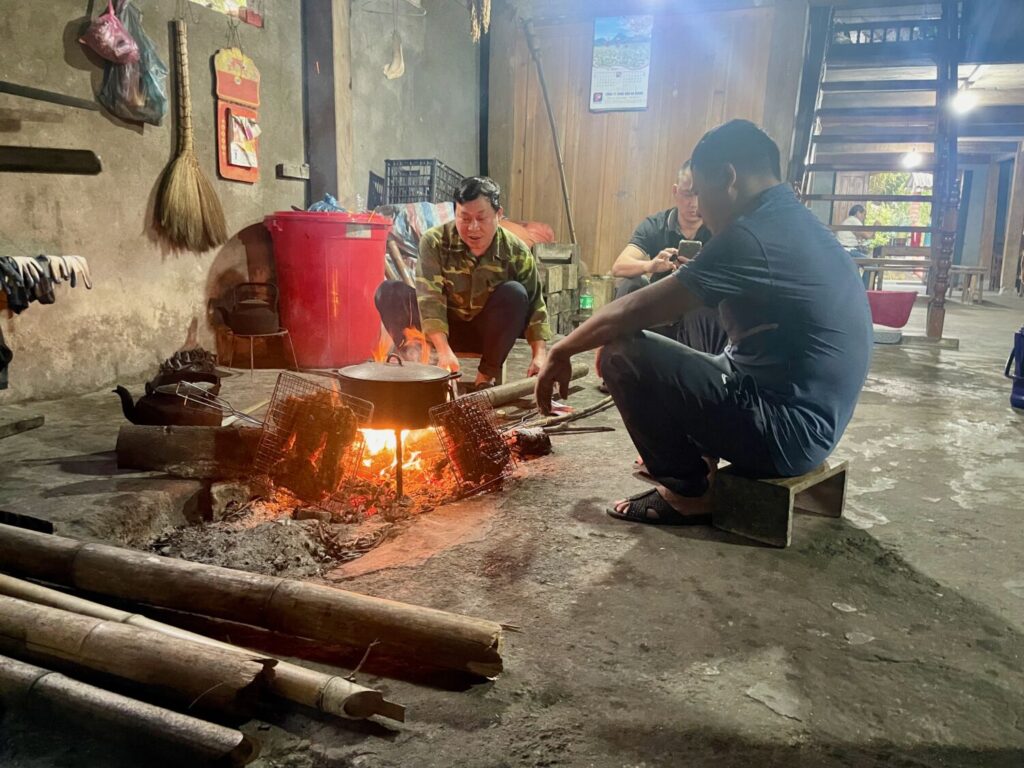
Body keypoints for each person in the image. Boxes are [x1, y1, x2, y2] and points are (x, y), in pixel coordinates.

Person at [535, 120, 873, 525]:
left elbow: (632, 310)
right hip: (806, 416)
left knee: (622, 353)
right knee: (702, 311)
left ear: (728, 178)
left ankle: (687, 490)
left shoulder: (752, 237)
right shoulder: (793, 222)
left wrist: (562, 348)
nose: (699, 206)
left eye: (699, 190)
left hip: (789, 433)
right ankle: (697, 453)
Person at [375, 176, 551, 390]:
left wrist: (540, 355)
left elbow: (535, 306)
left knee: (515, 293)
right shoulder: (434, 242)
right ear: (455, 213)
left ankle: (485, 379)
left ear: (499, 214)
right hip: (441, 330)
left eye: (481, 218)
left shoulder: (515, 250)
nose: (473, 228)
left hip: (487, 334)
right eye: (464, 218)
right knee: (389, 291)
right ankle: (415, 371)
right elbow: (431, 299)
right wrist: (442, 349)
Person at [610, 160, 726, 353]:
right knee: (633, 283)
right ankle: (615, 355)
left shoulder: (720, 229)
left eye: (699, 194)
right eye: (687, 194)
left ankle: (708, 373)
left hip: (698, 318)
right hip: (658, 312)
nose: (693, 203)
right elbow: (619, 266)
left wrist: (698, 274)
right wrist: (651, 265)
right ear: (675, 191)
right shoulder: (656, 225)